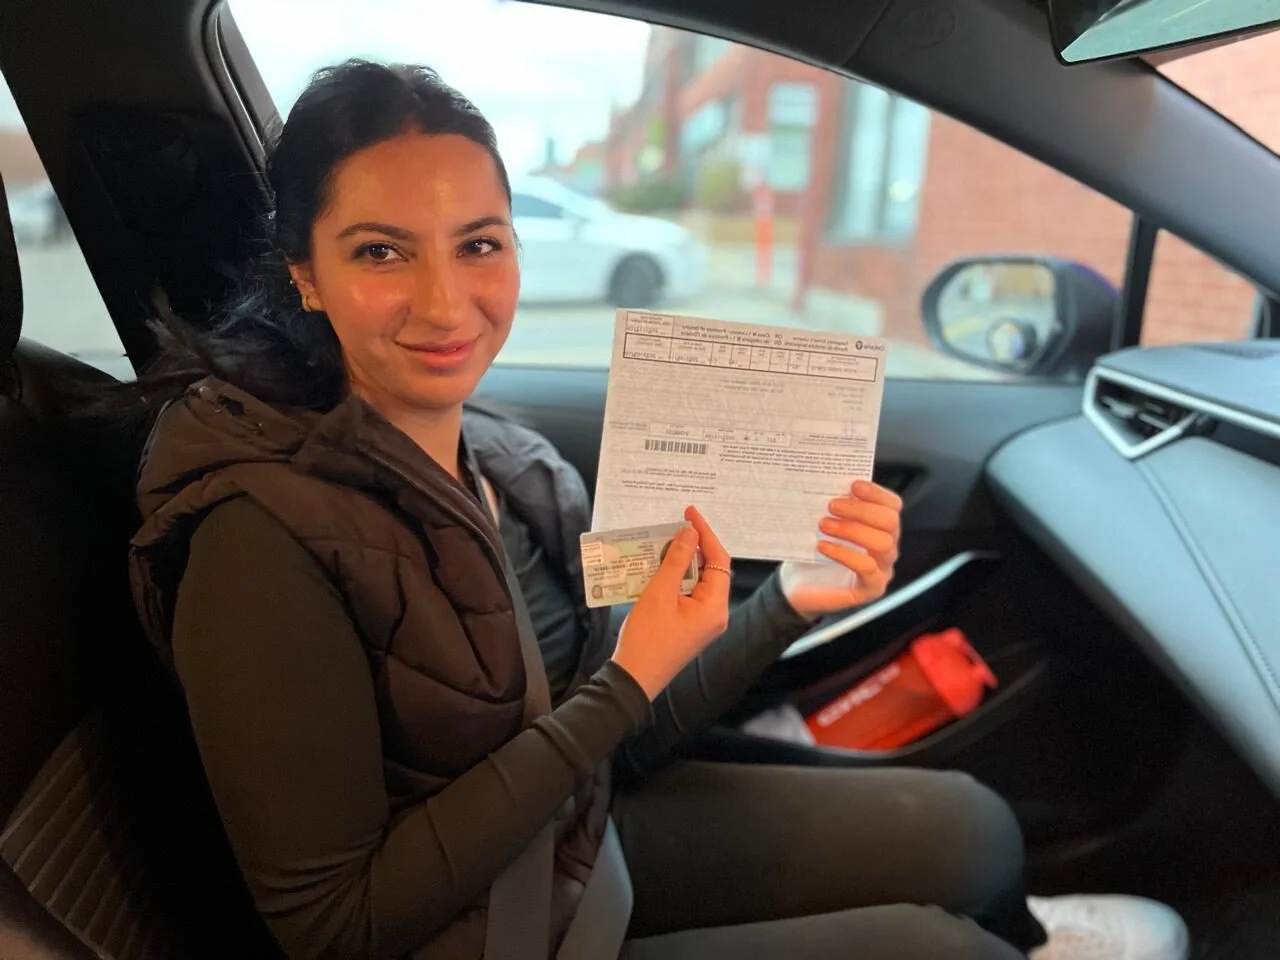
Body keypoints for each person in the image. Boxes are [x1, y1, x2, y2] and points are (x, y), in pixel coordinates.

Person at [118, 59, 1189, 960]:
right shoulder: (256, 540)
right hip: (481, 932)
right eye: (380, 252)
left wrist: (784, 604)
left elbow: (623, 741)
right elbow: (331, 925)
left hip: (579, 835)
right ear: (305, 273)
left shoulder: (514, 460)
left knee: (970, 824)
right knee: (936, 949)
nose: (446, 302)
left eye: (479, 244)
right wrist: (627, 678)